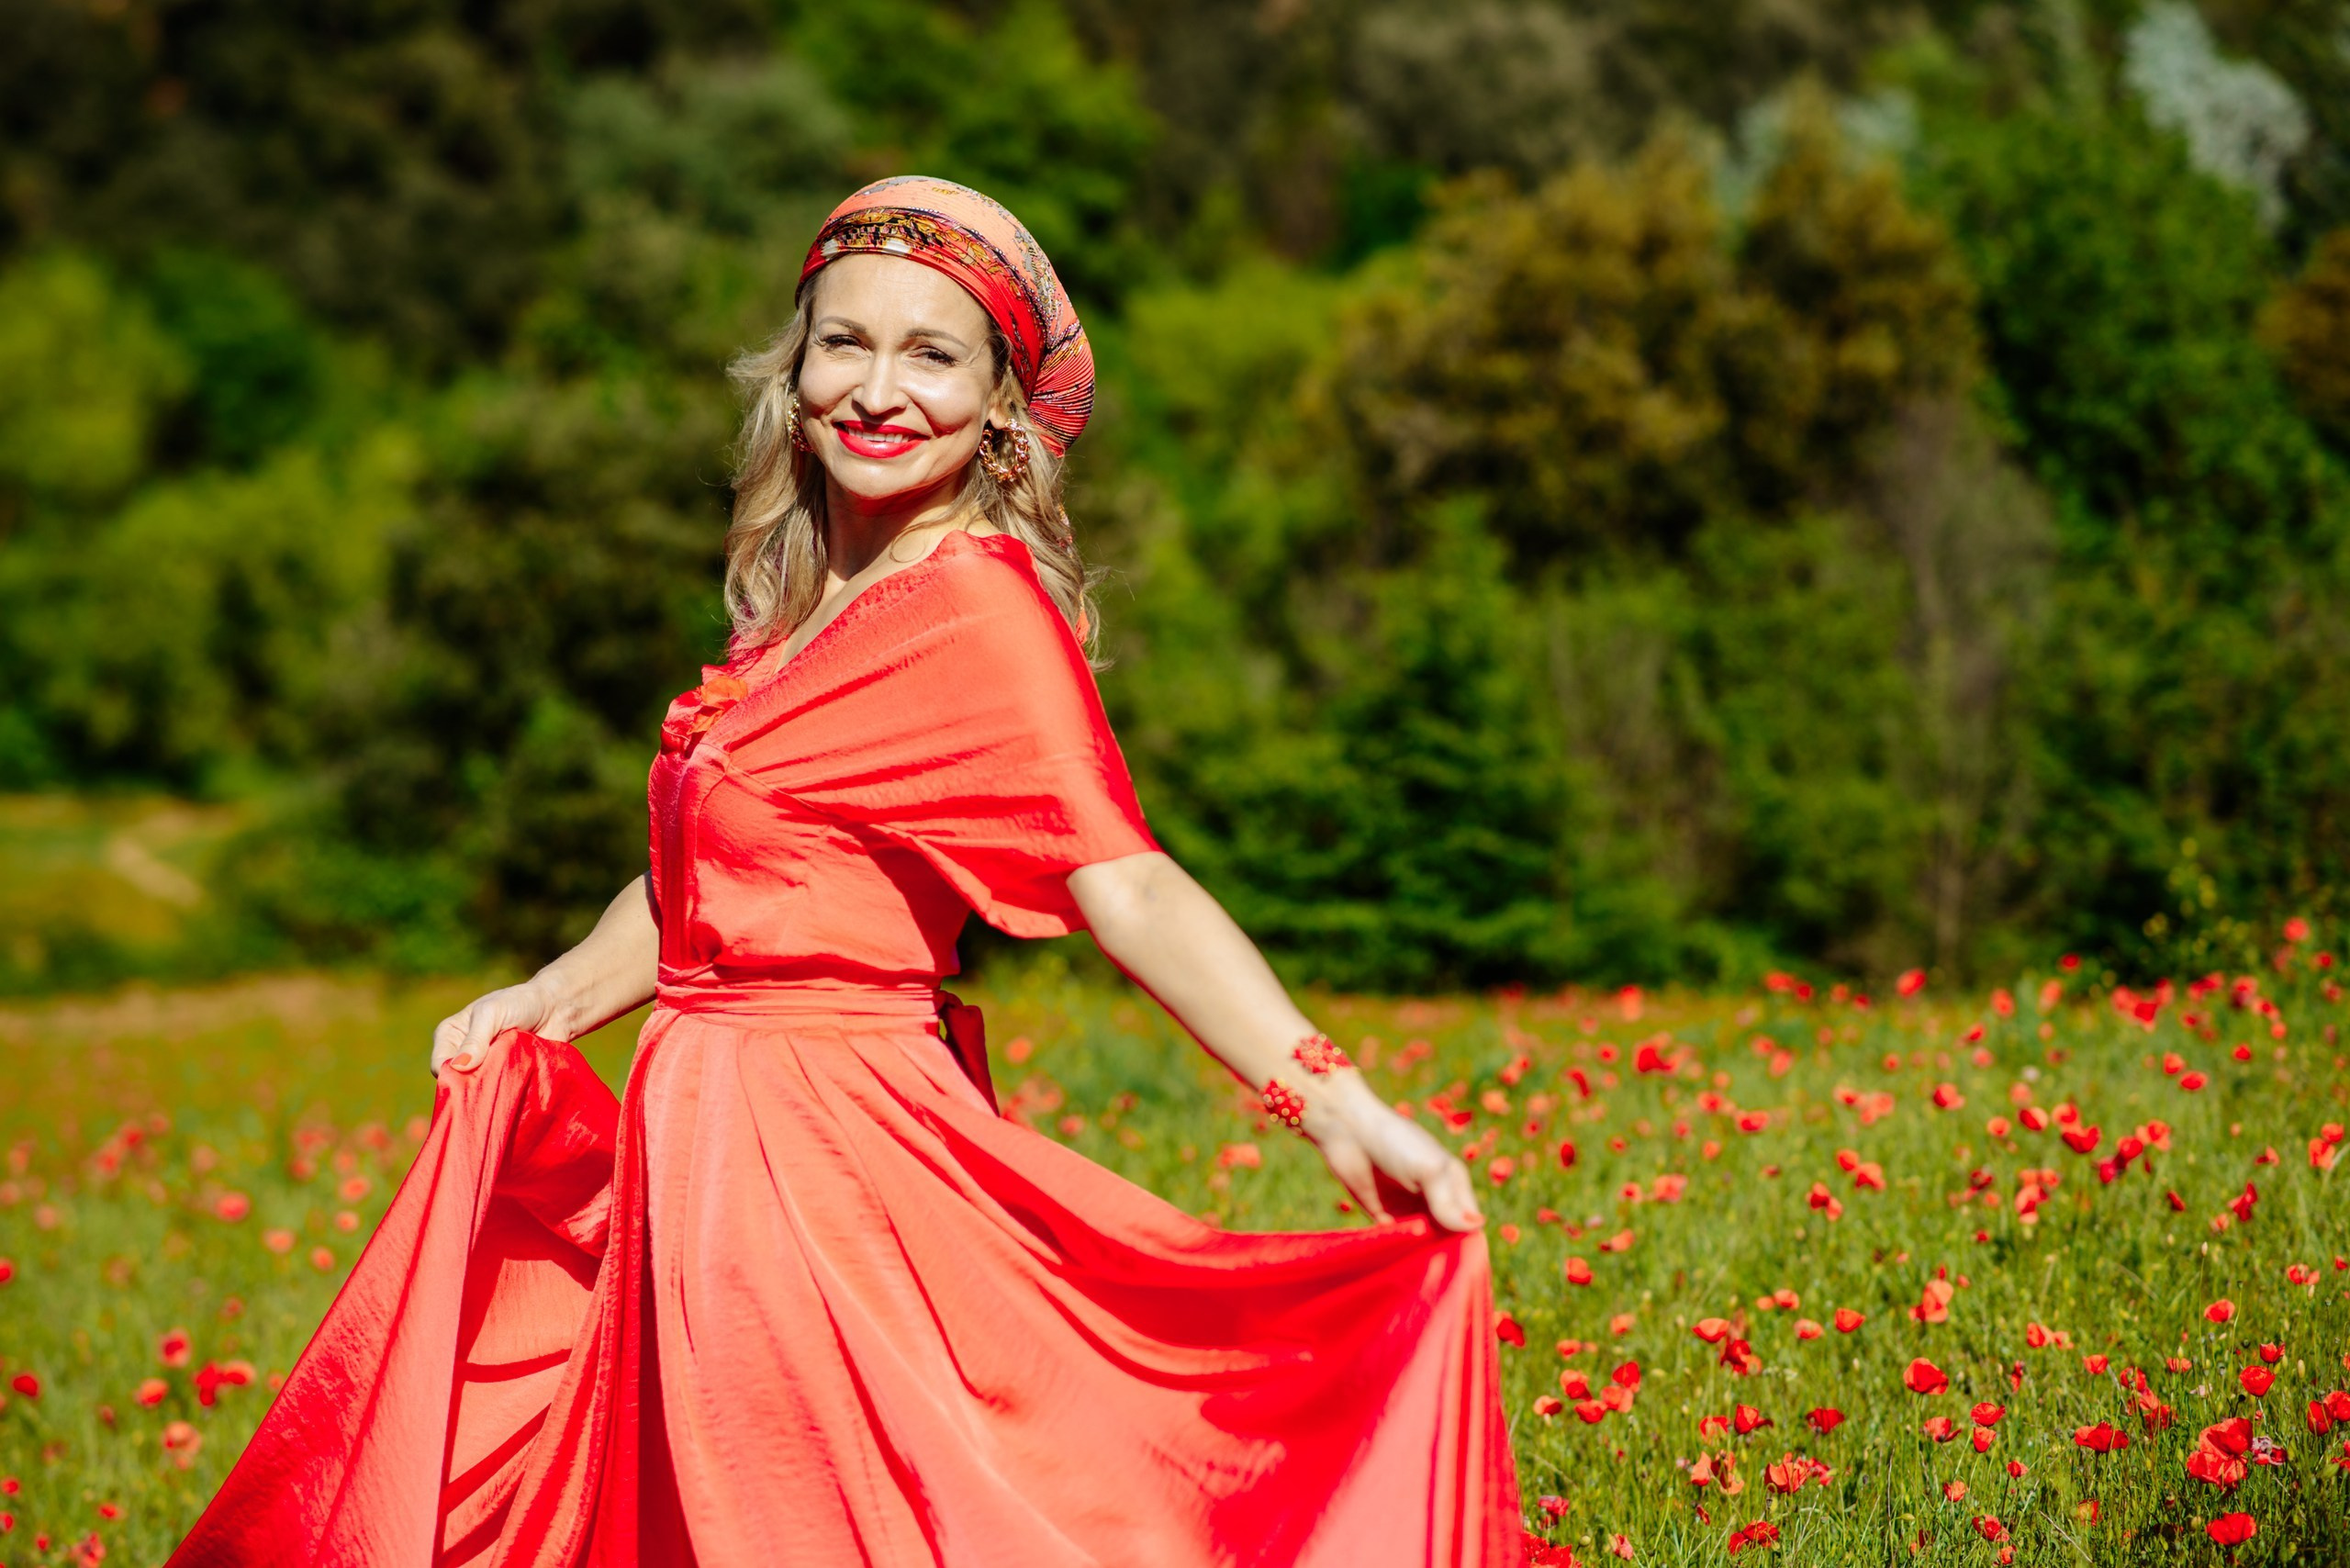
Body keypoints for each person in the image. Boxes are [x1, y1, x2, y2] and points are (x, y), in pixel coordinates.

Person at [167, 177, 1520, 1568]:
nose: (879, 391)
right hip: (698, 1152)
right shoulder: (803, 604)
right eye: (844, 345)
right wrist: (550, 998)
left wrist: (1335, 1105)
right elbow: (704, 891)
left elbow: (1128, 884)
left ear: (1001, 400)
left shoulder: (972, 612)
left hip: (817, 1167)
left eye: (933, 354)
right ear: (795, 369)